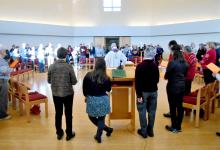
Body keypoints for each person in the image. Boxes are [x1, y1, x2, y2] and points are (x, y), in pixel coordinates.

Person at [48, 47, 77, 141]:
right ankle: (69, 134)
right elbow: (74, 82)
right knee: (68, 114)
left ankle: (59, 133)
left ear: (57, 55)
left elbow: (49, 81)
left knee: (58, 113)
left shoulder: (51, 66)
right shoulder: (69, 66)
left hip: (56, 94)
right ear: (66, 55)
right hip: (68, 93)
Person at [83, 58, 113, 143]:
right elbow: (109, 89)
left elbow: (84, 89)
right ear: (104, 66)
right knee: (101, 118)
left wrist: (86, 96)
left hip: (92, 99)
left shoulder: (88, 75)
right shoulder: (106, 77)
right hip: (103, 99)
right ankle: (103, 132)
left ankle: (102, 134)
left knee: (91, 116)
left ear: (95, 65)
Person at [135, 47, 159, 138]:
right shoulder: (155, 66)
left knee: (142, 111)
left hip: (143, 92)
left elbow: (137, 82)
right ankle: (151, 130)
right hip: (153, 91)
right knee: (152, 111)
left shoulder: (140, 66)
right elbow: (157, 80)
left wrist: (139, 95)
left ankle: (144, 131)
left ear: (144, 54)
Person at [164, 45, 188, 133]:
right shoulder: (185, 63)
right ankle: (179, 126)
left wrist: (167, 73)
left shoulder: (172, 63)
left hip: (172, 87)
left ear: (174, 52)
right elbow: (185, 75)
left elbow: (166, 77)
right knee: (180, 106)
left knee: (172, 107)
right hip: (182, 86)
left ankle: (174, 126)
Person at [163, 40, 178, 118]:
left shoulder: (174, 54)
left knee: (172, 97)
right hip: (179, 80)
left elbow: (170, 64)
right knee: (176, 98)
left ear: (171, 46)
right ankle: (174, 111)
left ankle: (172, 113)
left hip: (173, 79)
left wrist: (166, 74)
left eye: (169, 47)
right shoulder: (181, 55)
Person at [0, 48, 12, 120]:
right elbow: (4, 71)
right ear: (1, 52)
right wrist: (11, 68)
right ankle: (3, 115)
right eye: (4, 51)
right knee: (3, 98)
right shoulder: (1, 60)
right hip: (2, 80)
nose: (6, 53)